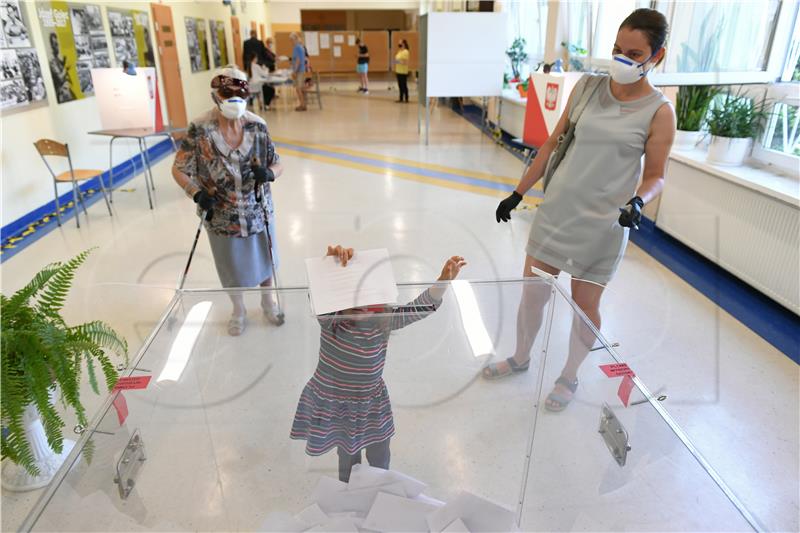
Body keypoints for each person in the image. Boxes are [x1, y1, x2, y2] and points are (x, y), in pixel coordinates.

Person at [484, 9, 676, 412]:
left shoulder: (659, 111)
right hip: (557, 213)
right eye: (617, 49)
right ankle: (521, 357)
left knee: (585, 306)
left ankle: (569, 375)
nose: (622, 58)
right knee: (532, 294)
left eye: (634, 52)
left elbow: (656, 175)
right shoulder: (587, 88)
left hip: (604, 225)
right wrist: (518, 192)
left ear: (655, 57)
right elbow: (552, 144)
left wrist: (638, 202)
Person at [291, 245, 467, 482]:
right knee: (348, 458)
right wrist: (330, 266)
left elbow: (418, 309)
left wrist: (442, 282)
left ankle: (379, 487)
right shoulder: (333, 322)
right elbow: (319, 299)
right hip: (339, 402)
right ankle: (351, 493)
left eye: (370, 299)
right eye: (356, 298)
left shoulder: (383, 322)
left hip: (371, 403)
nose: (364, 306)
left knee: (380, 453)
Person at [171, 66, 284, 336]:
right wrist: (195, 193)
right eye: (227, 94)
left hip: (257, 210)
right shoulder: (200, 128)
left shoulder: (257, 125)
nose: (234, 99)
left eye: (239, 94)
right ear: (216, 97)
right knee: (230, 264)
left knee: (265, 259)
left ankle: (268, 303)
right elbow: (178, 168)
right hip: (220, 214)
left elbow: (277, 164)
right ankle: (239, 310)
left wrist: (268, 173)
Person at [290, 32, 307, 111]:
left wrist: (295, 71)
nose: (291, 42)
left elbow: (298, 60)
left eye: (292, 40)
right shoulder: (299, 47)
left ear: (295, 39)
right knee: (300, 88)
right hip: (300, 70)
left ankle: (302, 105)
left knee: (298, 88)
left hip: (299, 71)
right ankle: (303, 104)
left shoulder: (298, 47)